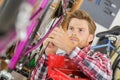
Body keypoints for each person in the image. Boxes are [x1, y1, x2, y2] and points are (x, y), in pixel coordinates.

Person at [31, 10, 112, 80]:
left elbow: (105, 78)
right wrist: (48, 55)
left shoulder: (100, 58)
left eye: (80, 30)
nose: (74, 33)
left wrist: (70, 49)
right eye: (71, 28)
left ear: (91, 37)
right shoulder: (59, 57)